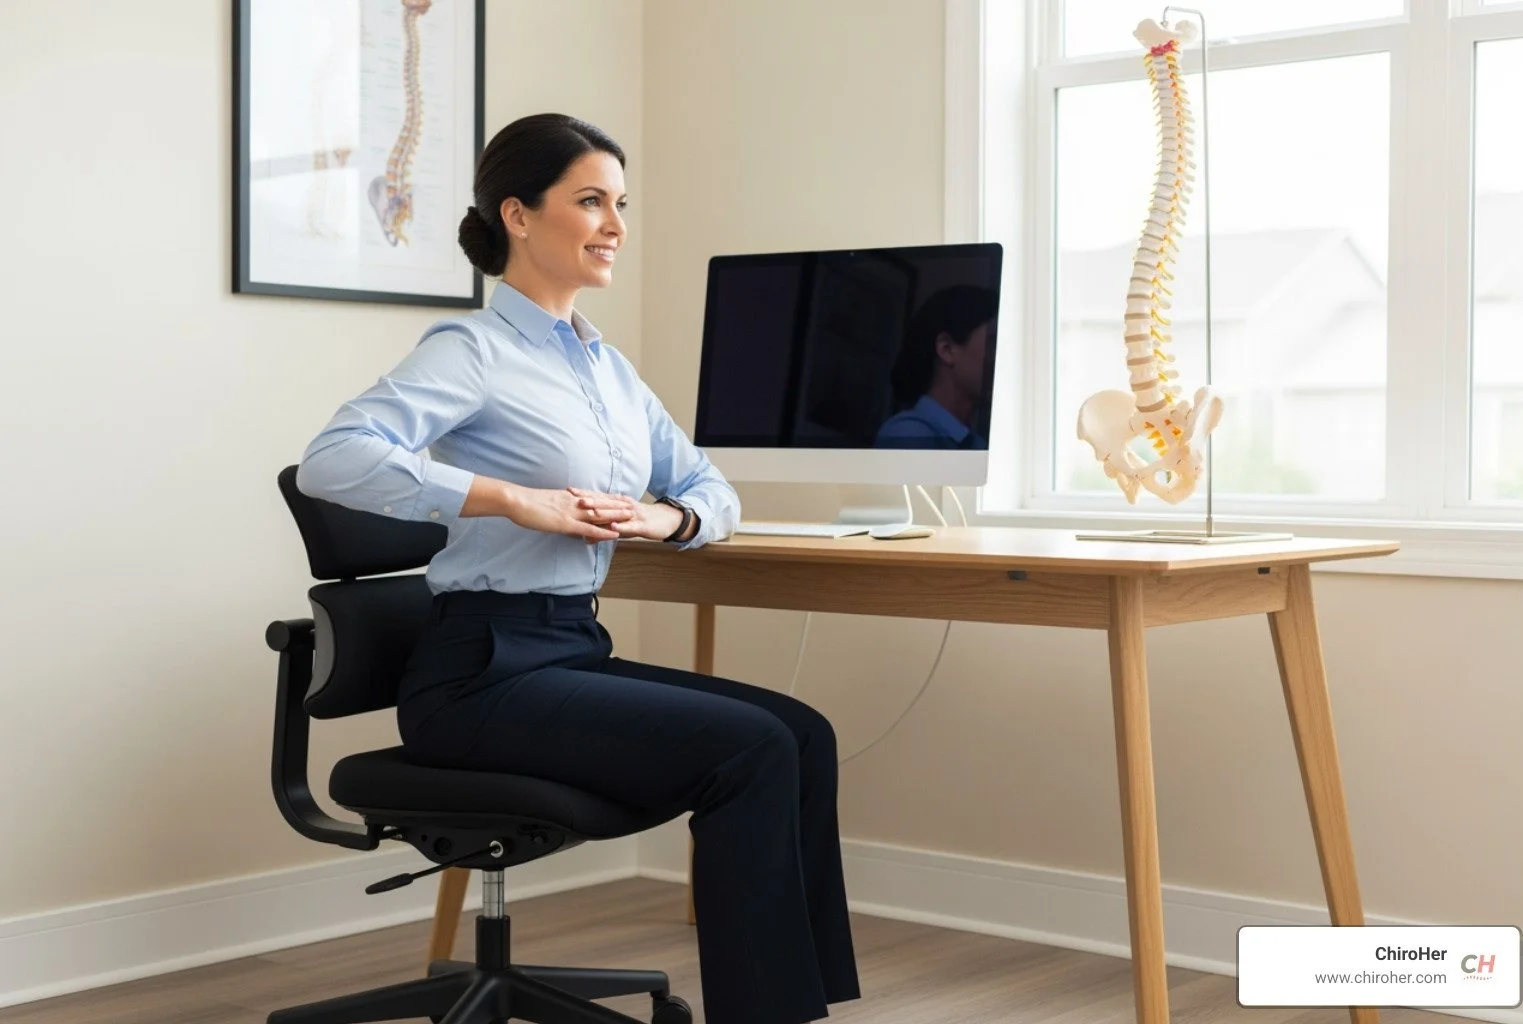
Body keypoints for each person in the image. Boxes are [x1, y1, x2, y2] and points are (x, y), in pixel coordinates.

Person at [296, 113, 860, 1024]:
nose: (616, 225)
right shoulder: (472, 351)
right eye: (591, 201)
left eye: (621, 203)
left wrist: (667, 517)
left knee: (802, 733)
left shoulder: (610, 371)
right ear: (519, 215)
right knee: (750, 749)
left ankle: (797, 1006)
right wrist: (509, 499)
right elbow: (333, 460)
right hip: (478, 675)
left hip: (569, 648)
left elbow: (711, 486)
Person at [873, 285, 998, 450]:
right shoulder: (909, 434)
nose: (1000, 356)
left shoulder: (976, 443)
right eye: (993, 342)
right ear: (947, 349)